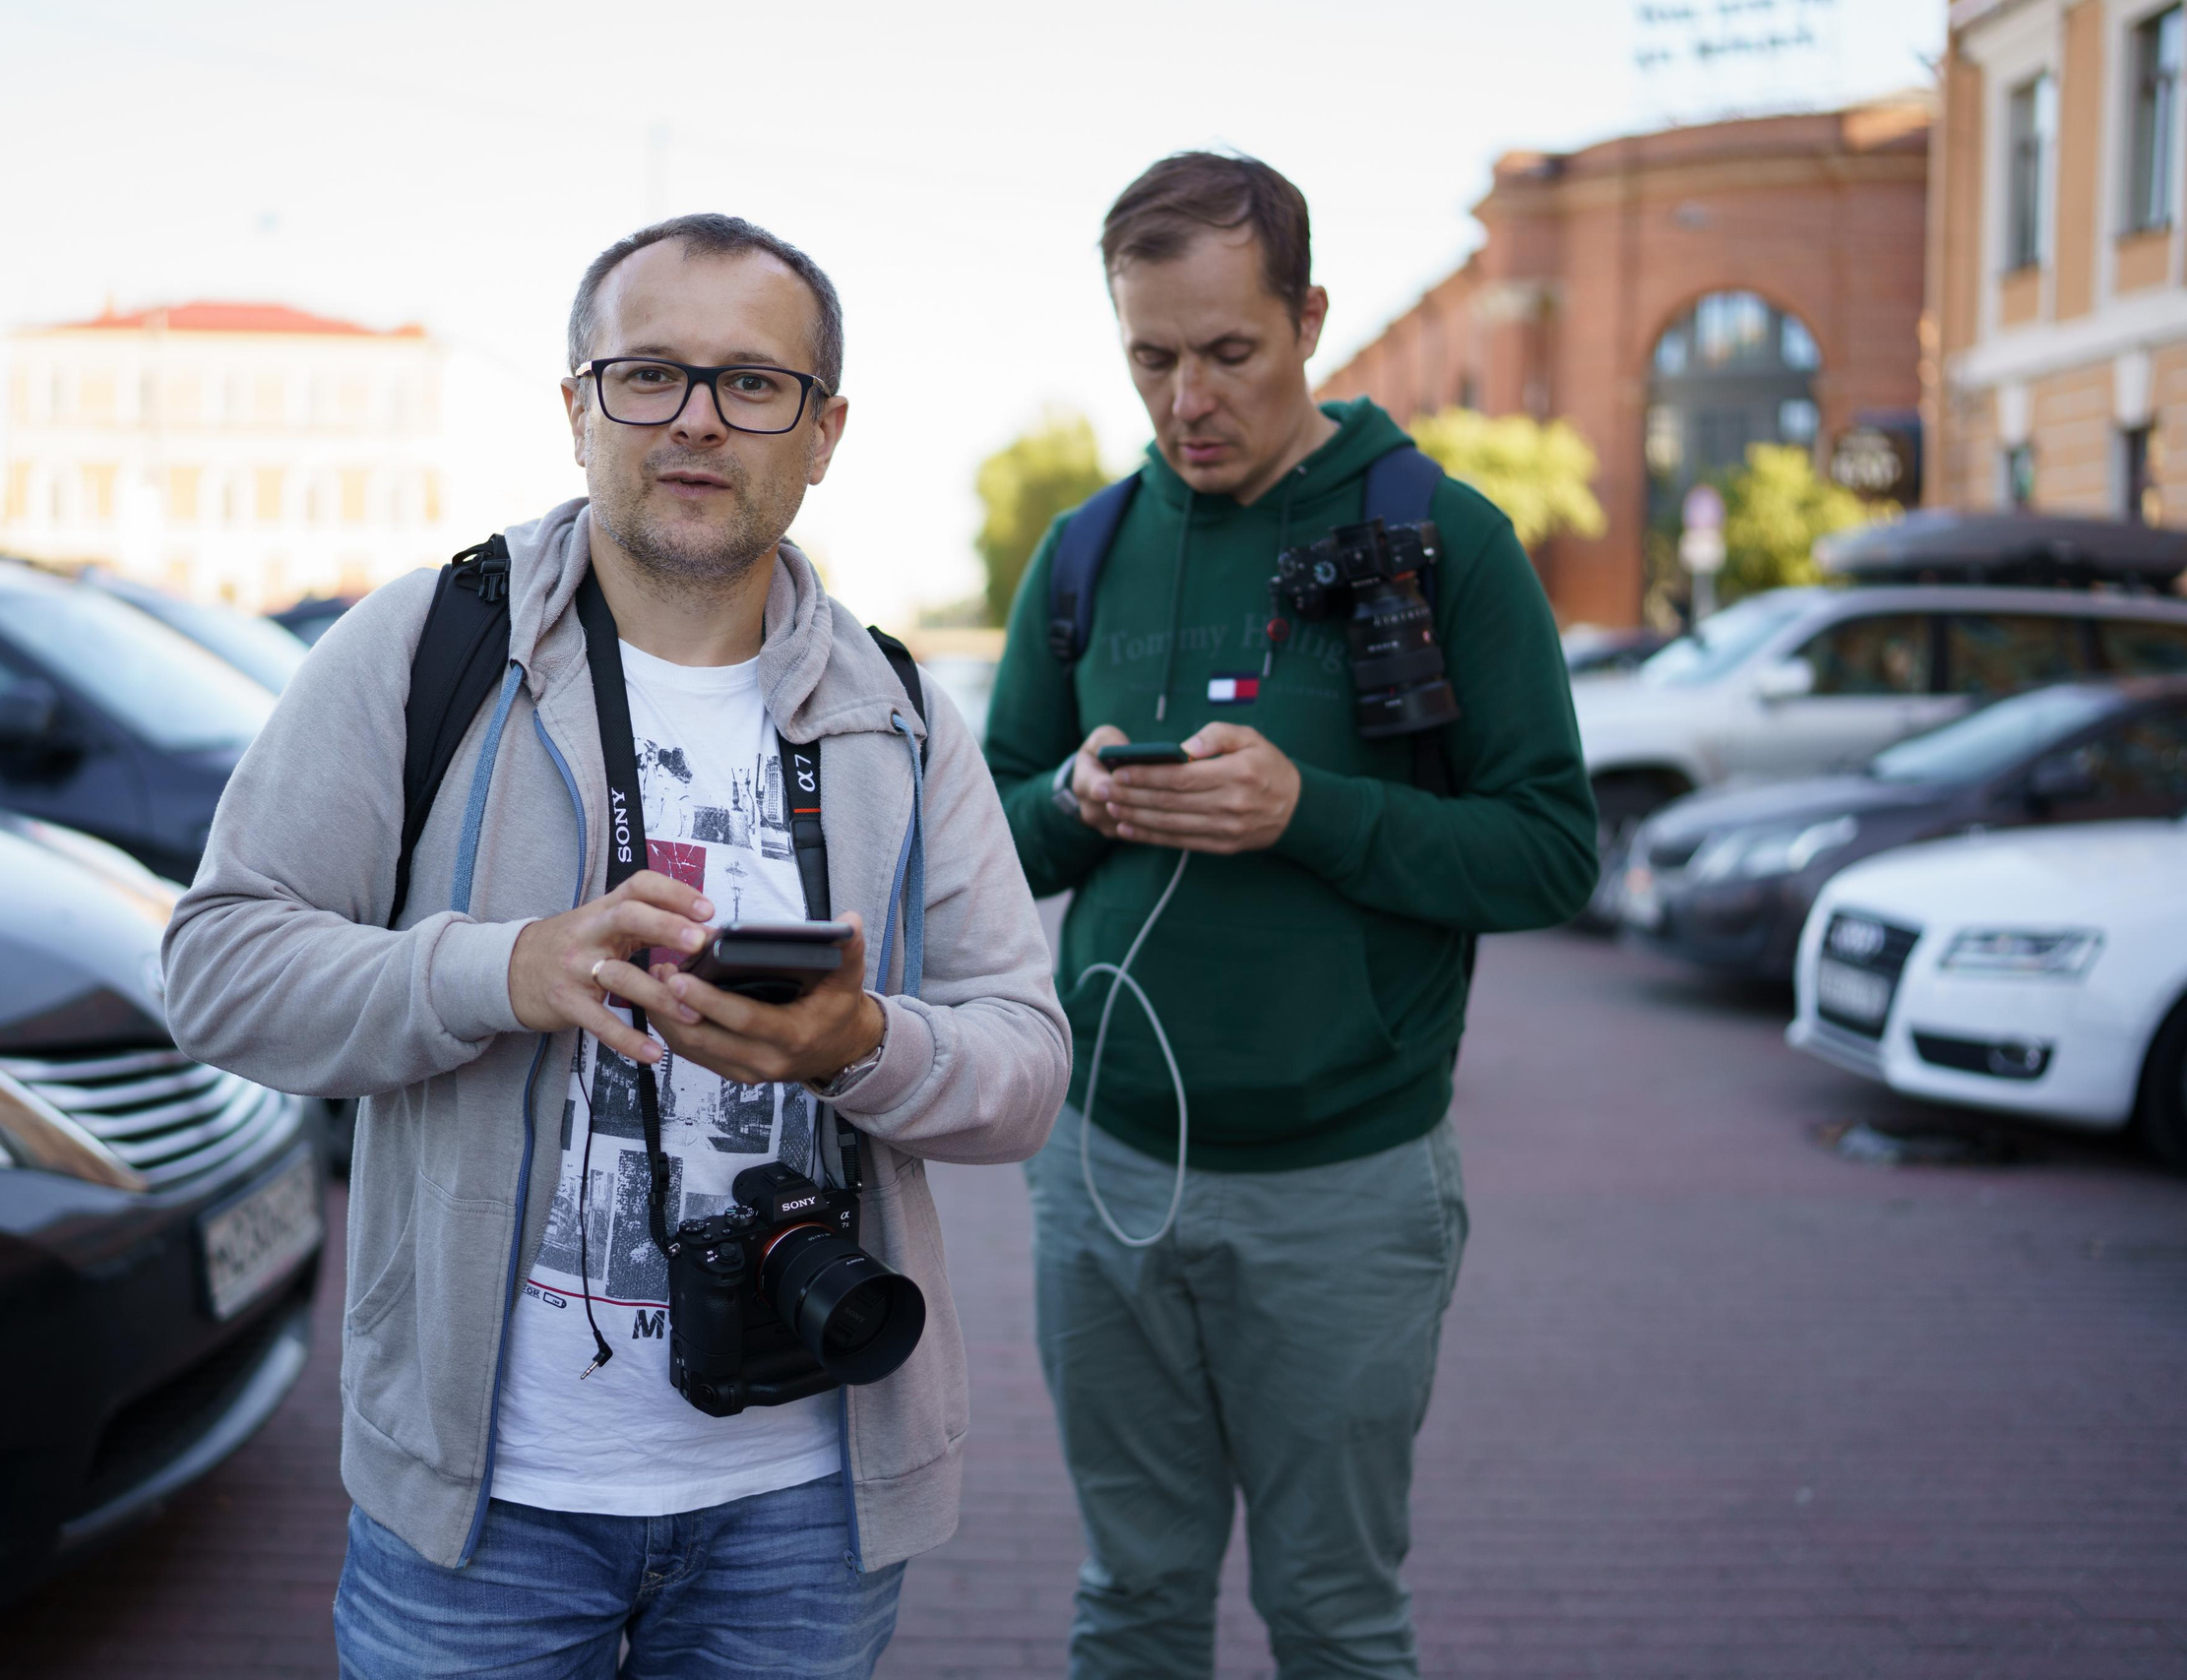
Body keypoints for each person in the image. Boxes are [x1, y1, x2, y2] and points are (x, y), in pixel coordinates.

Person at [164, 213, 1070, 1679]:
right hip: (483, 1512)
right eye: (649, 373)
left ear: (824, 432)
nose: (697, 418)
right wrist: (503, 970)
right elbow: (216, 971)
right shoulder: (428, 647)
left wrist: (861, 1046)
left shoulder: (897, 713)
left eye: (752, 383)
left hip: (809, 1504)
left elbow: (1026, 1068)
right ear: (577, 407)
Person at [981, 154, 1597, 1678]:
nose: (1187, 399)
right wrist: (1073, 800)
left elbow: (1550, 852)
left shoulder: (1449, 537)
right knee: (1131, 1599)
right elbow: (983, 837)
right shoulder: (1084, 550)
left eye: (1228, 351)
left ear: (1310, 320)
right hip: (1107, 1169)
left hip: (1347, 1184)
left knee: (1332, 1615)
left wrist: (1307, 811)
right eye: (1150, 357)